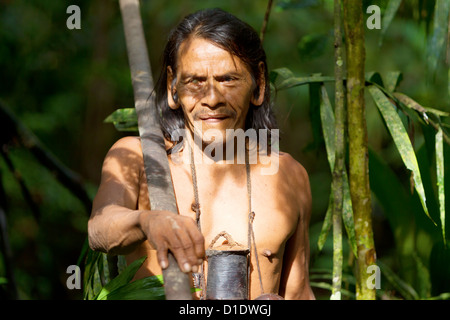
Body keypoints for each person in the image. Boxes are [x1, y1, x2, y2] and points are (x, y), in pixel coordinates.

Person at [88, 8, 315, 300]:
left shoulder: (289, 175)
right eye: (195, 81)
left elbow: (299, 292)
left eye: (228, 79)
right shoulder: (140, 158)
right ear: (173, 87)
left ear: (257, 82)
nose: (211, 98)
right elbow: (100, 229)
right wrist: (147, 221)